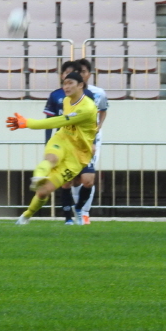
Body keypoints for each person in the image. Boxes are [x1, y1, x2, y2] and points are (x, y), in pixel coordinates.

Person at [8, 71, 98, 225]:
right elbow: (61, 125)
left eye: (70, 83)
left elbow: (57, 121)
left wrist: (27, 123)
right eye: (64, 83)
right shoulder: (67, 100)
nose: (66, 86)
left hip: (77, 156)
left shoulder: (87, 108)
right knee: (51, 158)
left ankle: (27, 214)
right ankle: (37, 177)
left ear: (81, 85)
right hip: (62, 139)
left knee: (43, 192)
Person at [42, 60, 97, 224]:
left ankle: (79, 208)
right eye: (65, 73)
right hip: (64, 144)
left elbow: (91, 124)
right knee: (66, 182)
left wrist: (92, 142)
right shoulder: (56, 96)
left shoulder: (88, 97)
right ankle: (68, 218)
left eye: (72, 75)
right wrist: (48, 146)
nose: (67, 78)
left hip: (82, 145)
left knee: (88, 180)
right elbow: (49, 121)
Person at [70, 58, 109, 225]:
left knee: (88, 176)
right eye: (77, 72)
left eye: (83, 72)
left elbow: (103, 110)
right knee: (74, 177)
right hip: (71, 138)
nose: (81, 75)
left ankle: (84, 212)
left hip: (90, 140)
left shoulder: (98, 93)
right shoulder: (67, 92)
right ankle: (77, 211)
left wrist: (98, 128)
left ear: (89, 74)